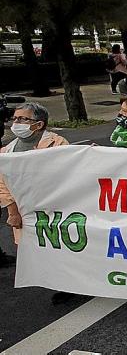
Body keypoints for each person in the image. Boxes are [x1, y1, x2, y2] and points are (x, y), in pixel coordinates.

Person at [0, 103, 69, 268]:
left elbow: (68, 174)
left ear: (39, 124)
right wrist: (13, 211)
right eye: (15, 118)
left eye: (23, 119)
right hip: (25, 211)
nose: (16, 123)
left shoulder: (58, 143)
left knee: (61, 247)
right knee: (34, 251)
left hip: (54, 208)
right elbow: (2, 185)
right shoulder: (6, 151)